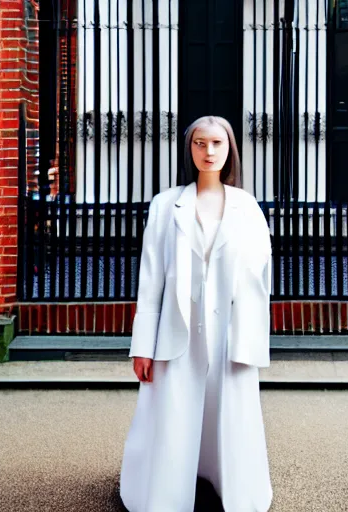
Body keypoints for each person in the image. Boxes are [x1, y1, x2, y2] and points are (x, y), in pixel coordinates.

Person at [120, 116, 273, 512]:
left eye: (217, 144)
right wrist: (143, 347)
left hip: (229, 331)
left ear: (229, 150)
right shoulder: (165, 205)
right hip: (178, 328)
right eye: (200, 143)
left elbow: (260, 280)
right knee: (172, 413)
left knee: (231, 415)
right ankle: (163, 493)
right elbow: (150, 280)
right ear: (189, 149)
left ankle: (232, 486)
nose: (208, 152)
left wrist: (253, 342)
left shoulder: (247, 207)